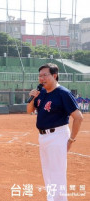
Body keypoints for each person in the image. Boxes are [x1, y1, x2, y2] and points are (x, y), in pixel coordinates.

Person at [27, 63, 83, 201]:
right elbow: (30, 111)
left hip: (58, 135)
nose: (41, 79)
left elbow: (78, 117)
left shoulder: (63, 93)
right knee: (47, 172)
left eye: (45, 75)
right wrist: (33, 98)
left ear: (54, 75)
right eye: (40, 76)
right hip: (43, 137)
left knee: (57, 173)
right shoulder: (42, 93)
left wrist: (71, 140)